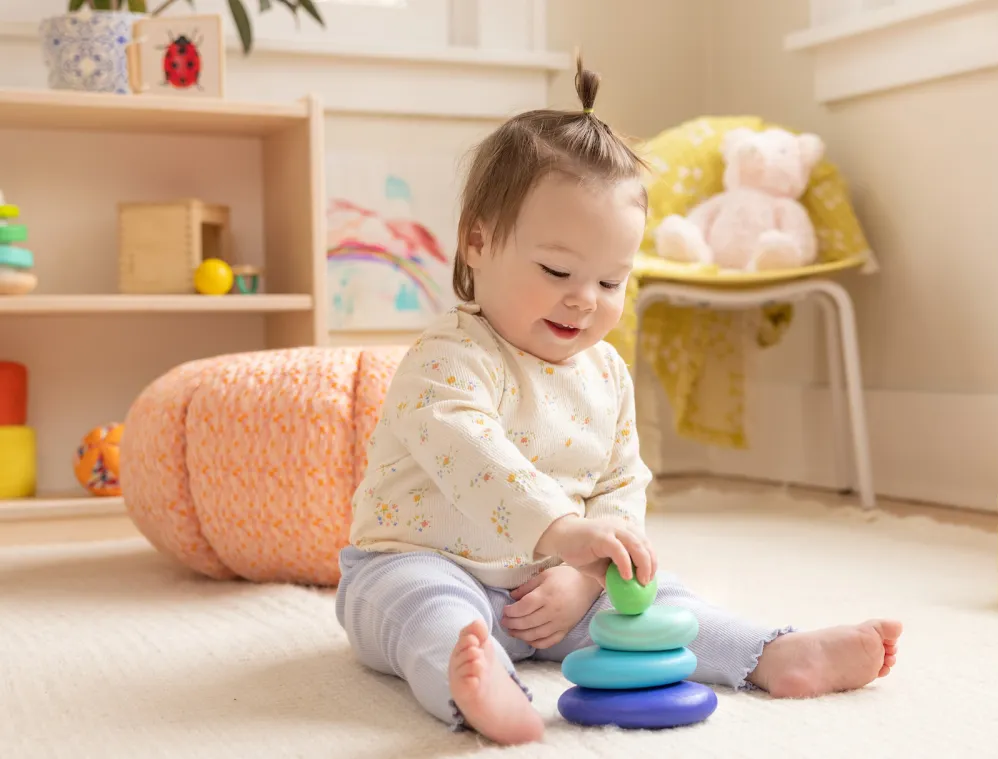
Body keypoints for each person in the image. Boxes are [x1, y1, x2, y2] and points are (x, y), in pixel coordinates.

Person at [334, 53, 903, 746]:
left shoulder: (604, 371)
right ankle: (475, 687)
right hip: (418, 560)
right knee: (426, 612)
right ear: (477, 241)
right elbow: (466, 451)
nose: (585, 298)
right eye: (556, 270)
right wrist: (561, 532)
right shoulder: (448, 358)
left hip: (555, 583)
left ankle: (774, 653)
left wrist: (587, 570)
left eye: (612, 281)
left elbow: (620, 481)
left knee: (663, 602)